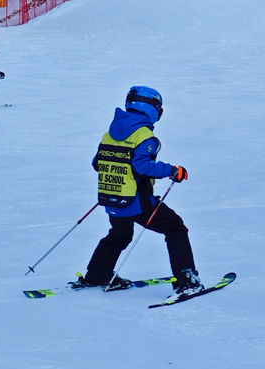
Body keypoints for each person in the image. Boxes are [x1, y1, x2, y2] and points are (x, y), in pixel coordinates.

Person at [77, 85, 203, 295]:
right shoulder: (144, 136)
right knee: (175, 229)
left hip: (111, 196)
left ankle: (97, 276)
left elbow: (96, 163)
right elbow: (142, 166)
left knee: (119, 235)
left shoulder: (109, 133)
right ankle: (186, 280)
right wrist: (172, 171)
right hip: (137, 200)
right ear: (152, 109)